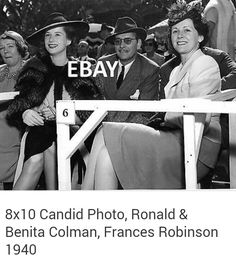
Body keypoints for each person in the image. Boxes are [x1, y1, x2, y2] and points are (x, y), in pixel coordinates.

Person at [82, 0, 221, 190]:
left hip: (194, 148)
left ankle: (84, 200)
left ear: (201, 36)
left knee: (105, 134)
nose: (180, 35)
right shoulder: (175, 71)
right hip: (174, 137)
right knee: (106, 152)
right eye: (175, 31)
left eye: (187, 30)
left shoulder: (205, 63)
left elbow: (191, 115)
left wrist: (163, 113)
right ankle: (94, 208)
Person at [7, 13, 103, 190]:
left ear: (68, 40)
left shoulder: (80, 69)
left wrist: (63, 115)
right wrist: (25, 112)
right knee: (39, 153)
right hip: (39, 131)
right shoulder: (35, 67)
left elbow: (92, 113)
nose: (51, 39)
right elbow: (18, 105)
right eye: (47, 35)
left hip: (73, 134)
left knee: (50, 148)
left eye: (57, 34)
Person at [98, 16, 160, 123]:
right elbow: (94, 100)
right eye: (117, 41)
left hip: (132, 131)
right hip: (99, 125)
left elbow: (145, 112)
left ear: (139, 43)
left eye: (127, 41)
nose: (121, 46)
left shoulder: (150, 69)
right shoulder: (103, 63)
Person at [0, 31, 29, 190]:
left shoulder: (31, 69)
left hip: (18, 126)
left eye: (10, 46)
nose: (5, 51)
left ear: (20, 48)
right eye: (1, 48)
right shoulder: (0, 71)